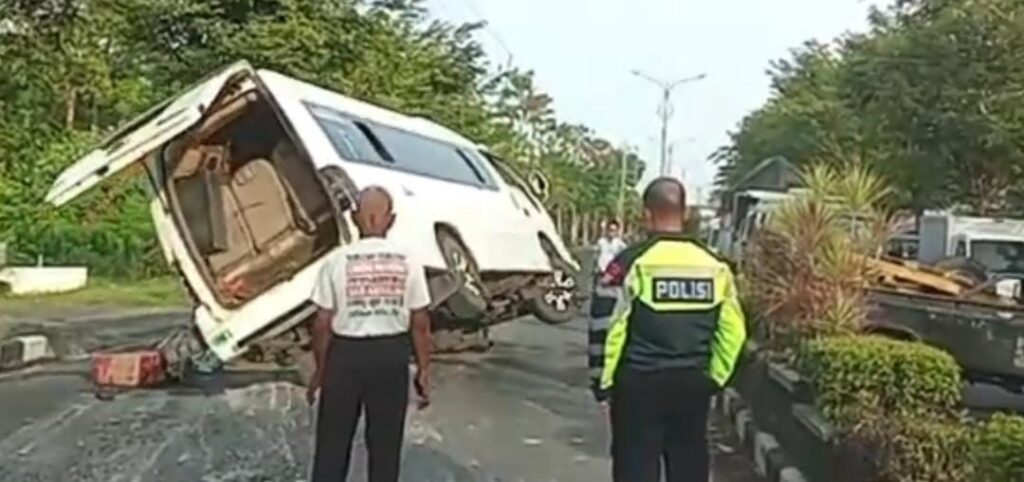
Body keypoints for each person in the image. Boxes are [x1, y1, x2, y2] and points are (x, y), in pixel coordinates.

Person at [591, 177, 747, 482]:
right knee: (689, 463)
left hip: (637, 386)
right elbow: (734, 331)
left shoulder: (629, 263)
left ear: (646, 214)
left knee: (635, 466)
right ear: (685, 213)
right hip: (692, 384)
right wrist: (714, 377)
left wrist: (602, 384)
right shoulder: (715, 266)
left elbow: (604, 326)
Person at [307, 186, 432, 482]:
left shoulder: (336, 261)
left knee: (332, 446)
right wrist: (425, 369)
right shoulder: (409, 261)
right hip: (391, 357)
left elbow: (322, 323)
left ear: (353, 218)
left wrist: (321, 370)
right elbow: (420, 321)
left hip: (345, 357)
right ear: (391, 220)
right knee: (385, 448)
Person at [588, 219, 627, 406]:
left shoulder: (621, 247)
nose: (611, 233)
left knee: (610, 329)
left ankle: (606, 379)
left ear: (618, 231)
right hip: (601, 280)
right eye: (609, 230)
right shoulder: (601, 243)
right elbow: (596, 261)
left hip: (614, 286)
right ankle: (598, 378)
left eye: (614, 230)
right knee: (597, 329)